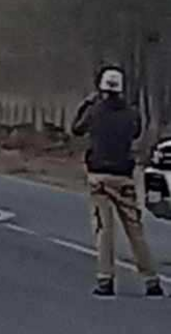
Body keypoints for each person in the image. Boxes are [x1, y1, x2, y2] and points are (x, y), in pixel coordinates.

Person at [71, 65, 164, 298]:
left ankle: (106, 280)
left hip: (99, 178)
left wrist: (87, 104)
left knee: (104, 230)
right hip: (124, 177)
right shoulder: (131, 113)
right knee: (136, 230)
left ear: (102, 87)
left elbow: (76, 129)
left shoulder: (94, 111)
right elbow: (136, 133)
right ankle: (152, 280)